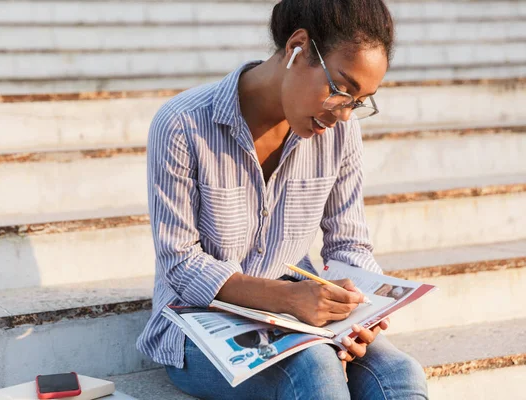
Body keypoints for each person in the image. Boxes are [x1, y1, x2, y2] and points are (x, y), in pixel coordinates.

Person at [136, 0, 428, 398]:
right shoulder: (183, 124)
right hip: (198, 323)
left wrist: (361, 313)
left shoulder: (340, 134)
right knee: (314, 369)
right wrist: (288, 299)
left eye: (358, 102)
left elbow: (348, 244)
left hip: (303, 316)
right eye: (341, 90)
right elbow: (181, 263)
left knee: (400, 374)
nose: (343, 114)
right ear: (298, 48)